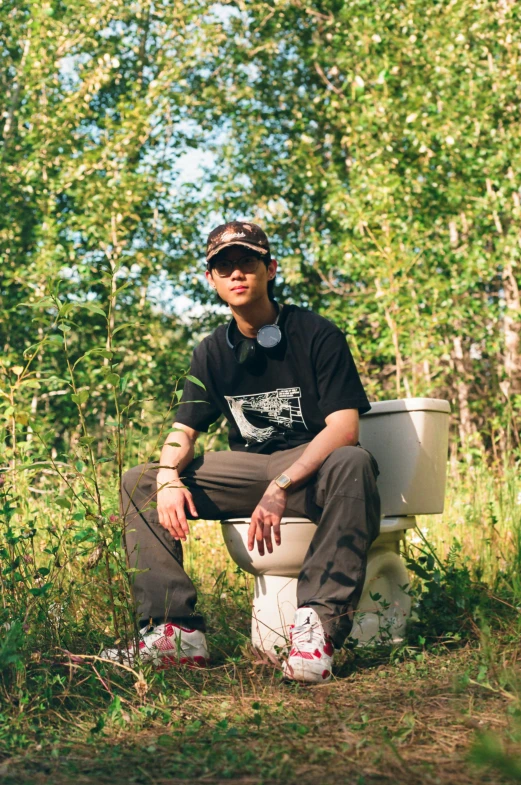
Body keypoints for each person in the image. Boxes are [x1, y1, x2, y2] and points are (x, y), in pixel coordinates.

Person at [104, 221, 381, 683]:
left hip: (314, 468)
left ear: (270, 269)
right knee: (142, 481)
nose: (236, 274)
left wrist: (282, 484)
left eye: (247, 263)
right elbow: (184, 430)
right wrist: (169, 475)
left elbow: (344, 429)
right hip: (251, 470)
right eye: (223, 266)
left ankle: (317, 629)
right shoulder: (212, 351)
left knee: (354, 462)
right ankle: (174, 632)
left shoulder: (316, 333)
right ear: (210, 279)